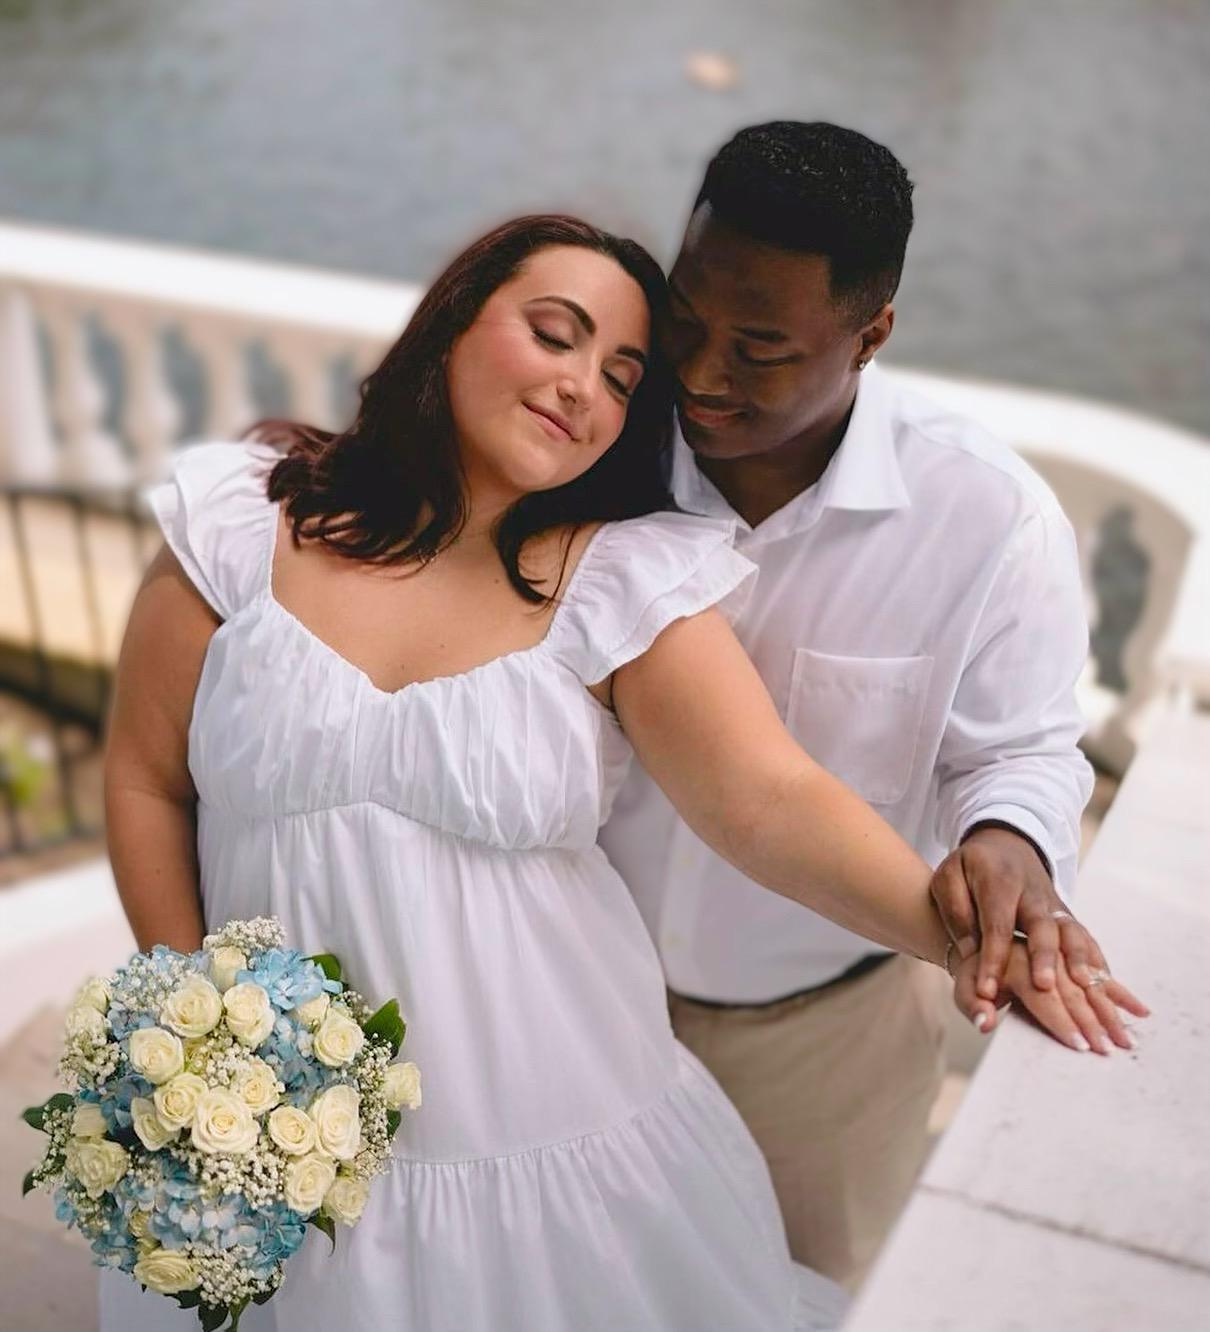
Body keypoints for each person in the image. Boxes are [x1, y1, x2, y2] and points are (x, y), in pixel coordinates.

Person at [100, 214, 1140, 1332]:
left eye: (621, 377)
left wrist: (982, 943)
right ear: (454, 322)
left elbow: (768, 801)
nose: (580, 386)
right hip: (272, 1112)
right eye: (556, 335)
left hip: (552, 1126)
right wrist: (205, 1039)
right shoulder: (247, 523)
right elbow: (146, 781)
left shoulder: (623, 581)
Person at [600, 121, 1139, 1291]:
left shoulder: (988, 517)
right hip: (577, 994)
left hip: (829, 1042)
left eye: (760, 347)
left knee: (812, 1291)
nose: (700, 373)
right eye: (685, 317)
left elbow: (1022, 750)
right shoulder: (596, 446)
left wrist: (1007, 836)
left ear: (872, 332)